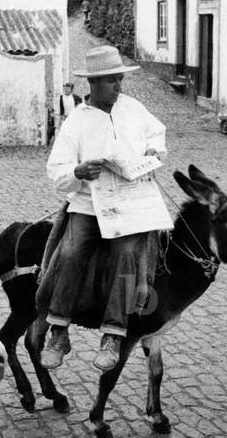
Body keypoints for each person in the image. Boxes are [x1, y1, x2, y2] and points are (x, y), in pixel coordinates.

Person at [41, 46, 166, 372]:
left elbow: (157, 133)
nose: (118, 87)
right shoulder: (76, 122)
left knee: (126, 253)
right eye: (112, 81)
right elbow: (57, 170)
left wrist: (153, 150)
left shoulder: (134, 109)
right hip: (88, 203)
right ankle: (58, 331)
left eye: (120, 79)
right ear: (94, 84)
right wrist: (78, 172)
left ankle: (113, 334)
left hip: (131, 203)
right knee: (70, 252)